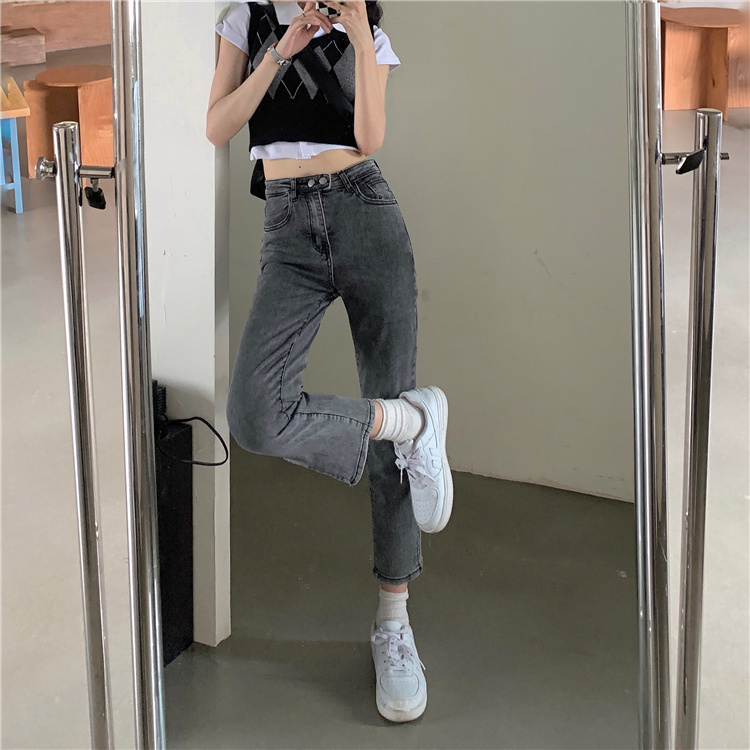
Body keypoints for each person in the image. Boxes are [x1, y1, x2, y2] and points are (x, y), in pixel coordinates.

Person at [208, 0, 453, 723]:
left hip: (366, 212)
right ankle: (408, 421)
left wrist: (358, 34)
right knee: (256, 413)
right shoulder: (246, 18)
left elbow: (370, 136)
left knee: (393, 443)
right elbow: (219, 125)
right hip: (287, 228)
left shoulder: (366, 30)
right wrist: (279, 52)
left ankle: (394, 623)